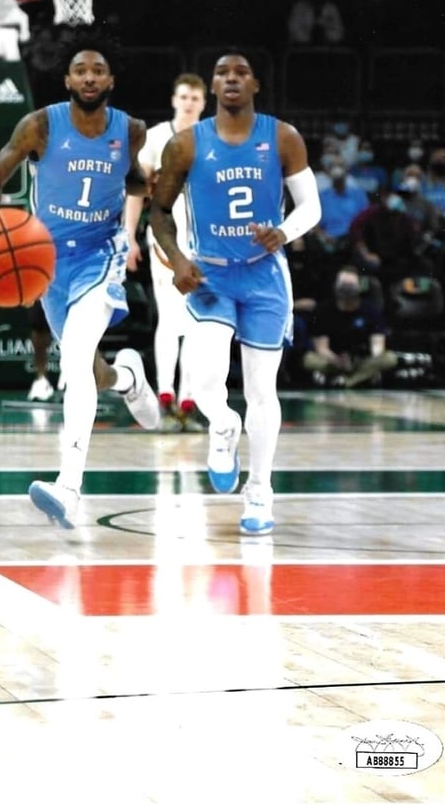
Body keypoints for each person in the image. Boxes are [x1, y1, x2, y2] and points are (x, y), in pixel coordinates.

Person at [0, 33, 161, 528]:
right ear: (68, 80)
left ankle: (69, 487)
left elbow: (135, 179)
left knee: (74, 360)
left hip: (101, 254)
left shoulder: (131, 129)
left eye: (98, 70)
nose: (90, 77)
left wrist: (149, 191)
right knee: (90, 369)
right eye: (81, 70)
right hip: (47, 261)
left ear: (110, 80)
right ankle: (127, 377)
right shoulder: (39, 125)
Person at [149, 50, 322, 536]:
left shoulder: (282, 136)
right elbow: (159, 213)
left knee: (262, 390)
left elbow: (311, 206)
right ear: (213, 86)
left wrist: (284, 232)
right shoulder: (185, 144)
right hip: (210, 275)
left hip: (265, 275)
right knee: (205, 382)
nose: (231, 78)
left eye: (240, 72)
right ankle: (223, 426)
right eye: (222, 73)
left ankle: (260, 492)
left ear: (255, 85)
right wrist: (179, 260)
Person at [124, 72, 208, 430]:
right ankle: (165, 392)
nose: (189, 103)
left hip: (205, 241)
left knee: (195, 323)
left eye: (195, 98)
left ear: (203, 104)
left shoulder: (212, 138)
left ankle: (187, 399)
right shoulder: (157, 137)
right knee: (171, 319)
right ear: (175, 100)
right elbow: (135, 190)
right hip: (167, 239)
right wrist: (129, 236)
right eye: (184, 97)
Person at [302, 265, 397, 388]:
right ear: (335, 286)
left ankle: (347, 382)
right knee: (308, 359)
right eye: (343, 285)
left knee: (390, 358)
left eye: (350, 285)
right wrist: (337, 360)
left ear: (359, 287)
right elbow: (322, 348)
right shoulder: (323, 310)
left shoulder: (371, 310)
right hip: (333, 360)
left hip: (362, 361)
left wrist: (370, 362)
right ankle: (356, 378)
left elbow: (378, 347)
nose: (346, 289)